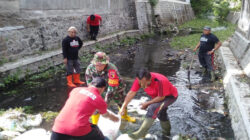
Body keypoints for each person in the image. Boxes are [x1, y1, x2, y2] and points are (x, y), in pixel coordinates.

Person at [51, 77, 119, 140]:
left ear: (90, 84)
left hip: (58, 127)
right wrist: (115, 118)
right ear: (103, 88)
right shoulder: (99, 99)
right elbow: (105, 115)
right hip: (78, 128)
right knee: (101, 136)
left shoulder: (75, 90)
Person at [119, 68, 178, 139]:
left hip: (169, 96)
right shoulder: (139, 80)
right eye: (140, 82)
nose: (142, 84)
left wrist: (147, 103)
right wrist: (123, 106)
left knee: (153, 108)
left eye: (144, 83)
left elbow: (161, 97)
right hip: (157, 96)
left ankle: (141, 133)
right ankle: (167, 133)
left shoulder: (160, 81)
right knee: (161, 113)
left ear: (149, 79)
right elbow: (131, 93)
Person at [85, 52, 136, 124]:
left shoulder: (112, 69)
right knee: (95, 105)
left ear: (105, 63)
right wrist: (95, 95)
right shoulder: (90, 68)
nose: (99, 67)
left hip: (116, 88)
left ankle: (125, 117)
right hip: (99, 88)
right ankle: (95, 124)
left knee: (121, 101)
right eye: (97, 65)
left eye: (101, 65)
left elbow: (112, 88)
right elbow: (89, 83)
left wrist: (106, 103)